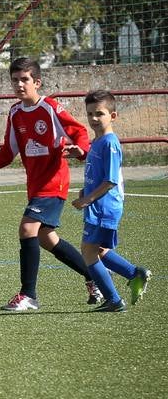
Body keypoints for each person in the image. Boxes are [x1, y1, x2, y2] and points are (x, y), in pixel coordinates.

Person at [0, 57, 101, 311]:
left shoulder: (50, 108)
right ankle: (95, 277)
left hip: (54, 183)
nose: (19, 84)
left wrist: (81, 150)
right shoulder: (15, 113)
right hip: (36, 186)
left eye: (25, 79)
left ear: (37, 82)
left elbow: (80, 132)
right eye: (15, 80)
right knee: (46, 239)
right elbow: (8, 152)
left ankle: (28, 295)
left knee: (27, 228)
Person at [71, 89, 152, 312]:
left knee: (88, 252)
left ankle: (114, 300)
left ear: (112, 116)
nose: (94, 119)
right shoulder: (96, 142)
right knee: (98, 250)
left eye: (100, 114)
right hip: (97, 204)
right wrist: (85, 191)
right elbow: (97, 175)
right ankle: (134, 273)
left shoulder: (110, 143)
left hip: (104, 206)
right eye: (89, 114)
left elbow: (110, 181)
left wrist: (88, 198)